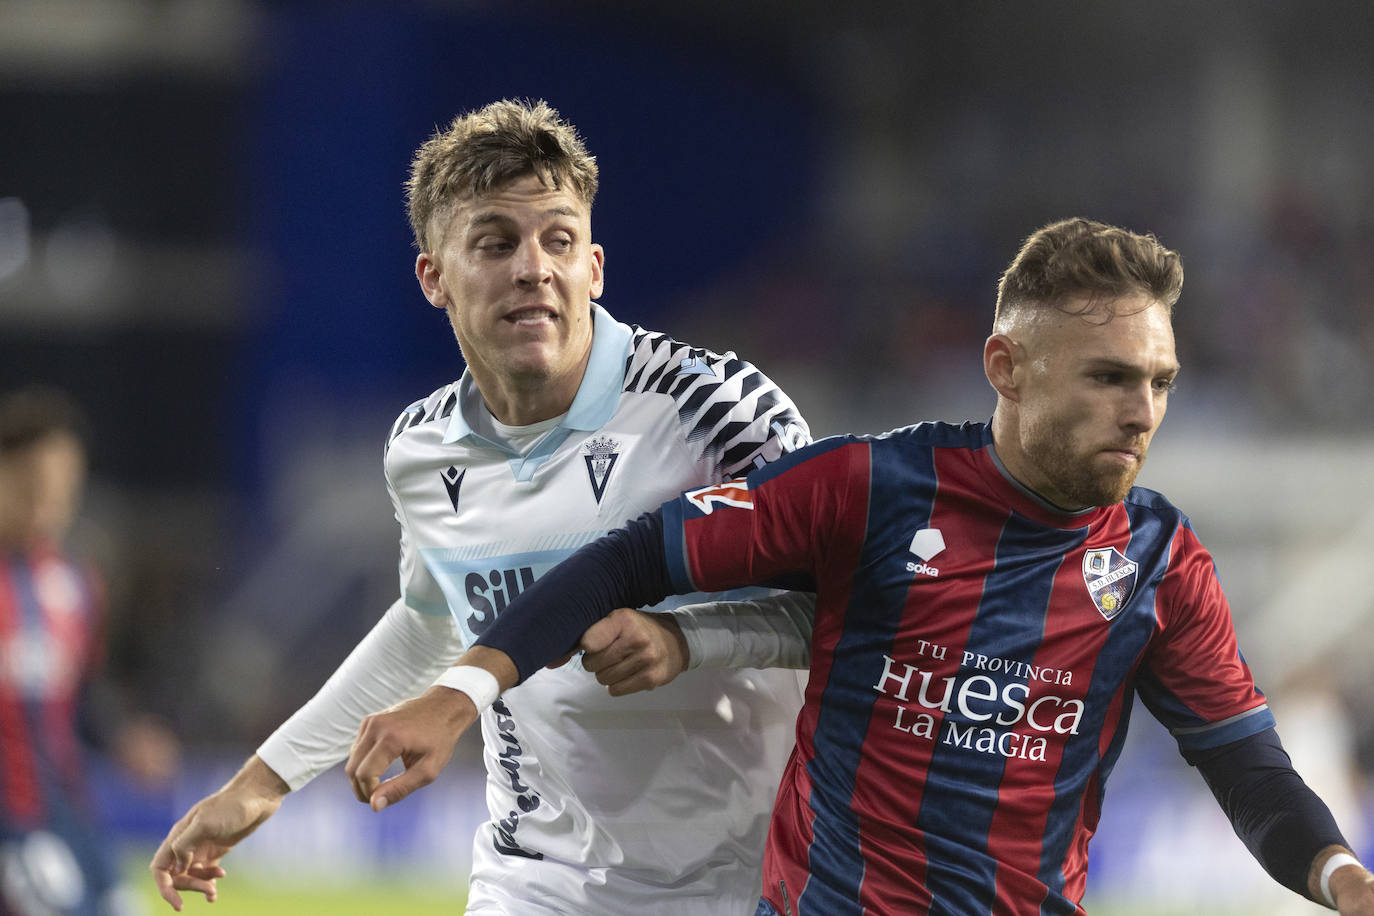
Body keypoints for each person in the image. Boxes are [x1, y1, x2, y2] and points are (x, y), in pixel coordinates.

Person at [345, 218, 1374, 914]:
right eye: (1108, 377)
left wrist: (1338, 874)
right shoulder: (871, 489)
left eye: (1159, 381)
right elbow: (626, 557)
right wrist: (460, 693)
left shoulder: (1160, 560)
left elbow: (1245, 765)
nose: (1143, 410)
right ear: (1006, 367)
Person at [150, 98, 815, 914]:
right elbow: (431, 623)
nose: (533, 267)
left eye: (558, 240)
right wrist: (264, 780)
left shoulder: (717, 411)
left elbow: (849, 611)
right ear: (434, 276)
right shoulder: (421, 451)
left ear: (595, 268)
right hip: (539, 877)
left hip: (746, 877)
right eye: (496, 243)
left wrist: (688, 638)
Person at [1, 385, 180, 916]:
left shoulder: (76, 585)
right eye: (35, 485)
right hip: (10, 826)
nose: (50, 504)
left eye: (63, 488)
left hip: (72, 818)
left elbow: (81, 698)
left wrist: (125, 737)